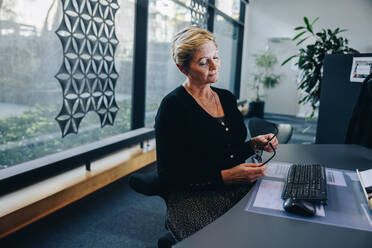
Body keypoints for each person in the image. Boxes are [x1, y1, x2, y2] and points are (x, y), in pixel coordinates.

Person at [155, 25, 278, 241]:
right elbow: (169, 176)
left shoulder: (227, 98)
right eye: (203, 62)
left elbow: (227, 152)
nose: (214, 66)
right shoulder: (173, 107)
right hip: (192, 197)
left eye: (216, 57)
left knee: (268, 229)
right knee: (225, 242)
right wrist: (225, 176)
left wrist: (253, 145)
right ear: (182, 68)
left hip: (235, 184)